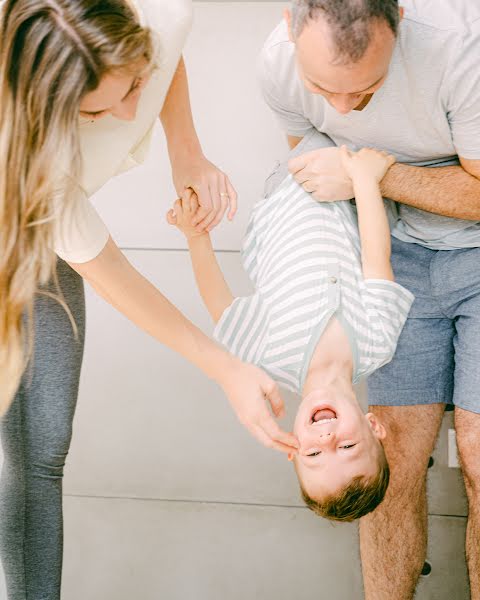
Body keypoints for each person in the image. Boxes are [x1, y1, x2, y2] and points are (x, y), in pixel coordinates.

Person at [0, 1, 298, 598]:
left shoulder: (161, 16)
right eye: (97, 110)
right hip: (19, 214)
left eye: (133, 84)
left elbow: (164, 59)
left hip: (44, 235)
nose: (130, 111)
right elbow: (110, 271)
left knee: (42, 451)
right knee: (13, 464)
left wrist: (185, 150)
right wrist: (227, 370)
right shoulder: (30, 153)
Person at [258, 0, 480, 598]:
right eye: (321, 88)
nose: (343, 108)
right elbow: (312, 176)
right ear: (289, 24)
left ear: (400, 20)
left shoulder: (463, 47)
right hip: (390, 266)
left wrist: (373, 175)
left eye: (368, 89)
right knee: (395, 458)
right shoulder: (277, 64)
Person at [168, 129, 414, 521]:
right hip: (344, 187)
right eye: (348, 447)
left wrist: (195, 235)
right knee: (341, 109)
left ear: (294, 445)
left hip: (285, 190)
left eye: (314, 454)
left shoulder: (265, 358)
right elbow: (375, 256)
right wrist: (365, 180)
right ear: (374, 427)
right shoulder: (378, 343)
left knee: (309, 110)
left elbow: (219, 303)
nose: (327, 438)